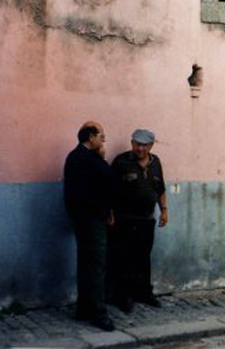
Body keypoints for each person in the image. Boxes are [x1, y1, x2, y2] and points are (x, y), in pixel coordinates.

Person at [63, 121, 116, 331]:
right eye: (101, 135)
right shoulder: (89, 159)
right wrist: (103, 157)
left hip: (82, 218)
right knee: (96, 265)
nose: (104, 139)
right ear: (90, 137)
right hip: (92, 219)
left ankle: (83, 308)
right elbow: (109, 180)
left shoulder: (75, 156)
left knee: (86, 263)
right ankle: (98, 313)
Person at [110, 128, 168, 311]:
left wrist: (164, 210)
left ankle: (144, 293)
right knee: (123, 258)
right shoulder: (121, 161)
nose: (140, 148)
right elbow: (109, 190)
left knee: (143, 257)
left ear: (151, 146)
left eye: (144, 145)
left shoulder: (156, 162)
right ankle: (123, 296)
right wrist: (110, 213)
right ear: (132, 143)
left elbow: (160, 189)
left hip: (146, 219)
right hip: (125, 220)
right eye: (137, 144)